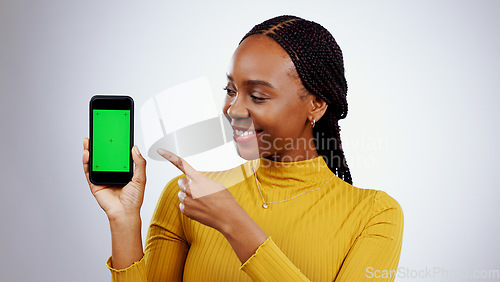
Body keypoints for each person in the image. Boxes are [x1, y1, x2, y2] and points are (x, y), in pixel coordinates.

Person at [83, 15, 403, 281]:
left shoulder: (374, 215)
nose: (234, 110)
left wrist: (236, 225)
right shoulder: (188, 197)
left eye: (258, 96)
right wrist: (124, 221)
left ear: (316, 104)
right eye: (230, 90)